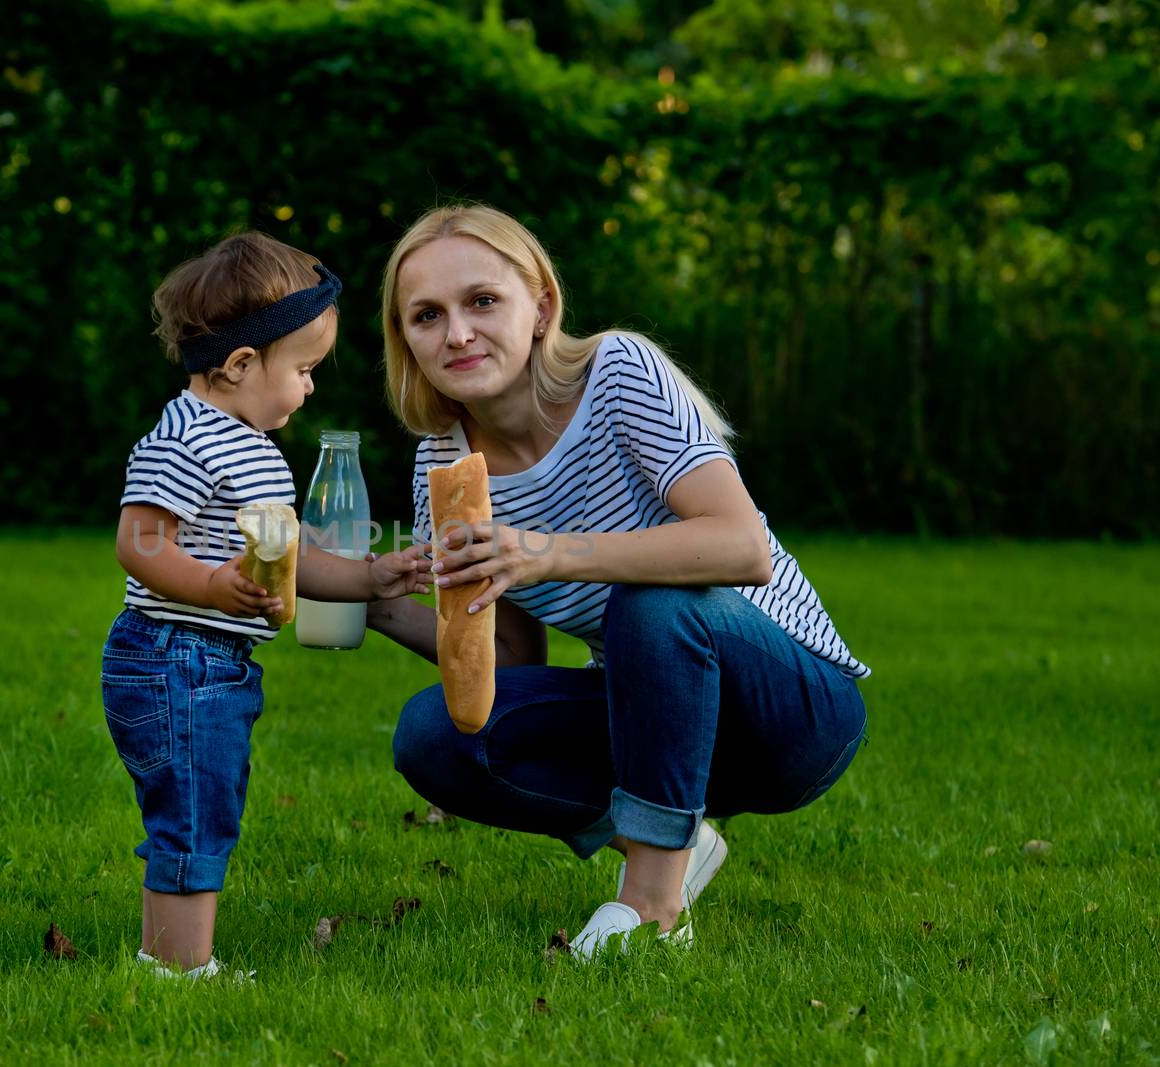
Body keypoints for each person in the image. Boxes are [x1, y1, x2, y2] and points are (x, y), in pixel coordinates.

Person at [364, 205, 870, 957]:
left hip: (792, 709)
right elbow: (509, 666)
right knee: (436, 732)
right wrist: (368, 600)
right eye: (426, 315)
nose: (457, 334)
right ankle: (675, 837)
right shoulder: (443, 465)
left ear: (540, 307)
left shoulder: (616, 372)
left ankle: (653, 909)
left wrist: (549, 551)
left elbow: (740, 545)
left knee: (652, 593)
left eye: (482, 301)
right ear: (405, 338)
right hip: (657, 725)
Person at [106, 232, 431, 979]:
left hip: (211, 662)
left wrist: (371, 575)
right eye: (305, 369)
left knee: (200, 802)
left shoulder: (246, 440)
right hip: (173, 655)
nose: (311, 386)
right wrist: (213, 584)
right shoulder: (187, 439)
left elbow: (296, 559)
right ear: (242, 363)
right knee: (193, 809)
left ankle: (169, 958)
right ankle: (178, 968)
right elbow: (139, 541)